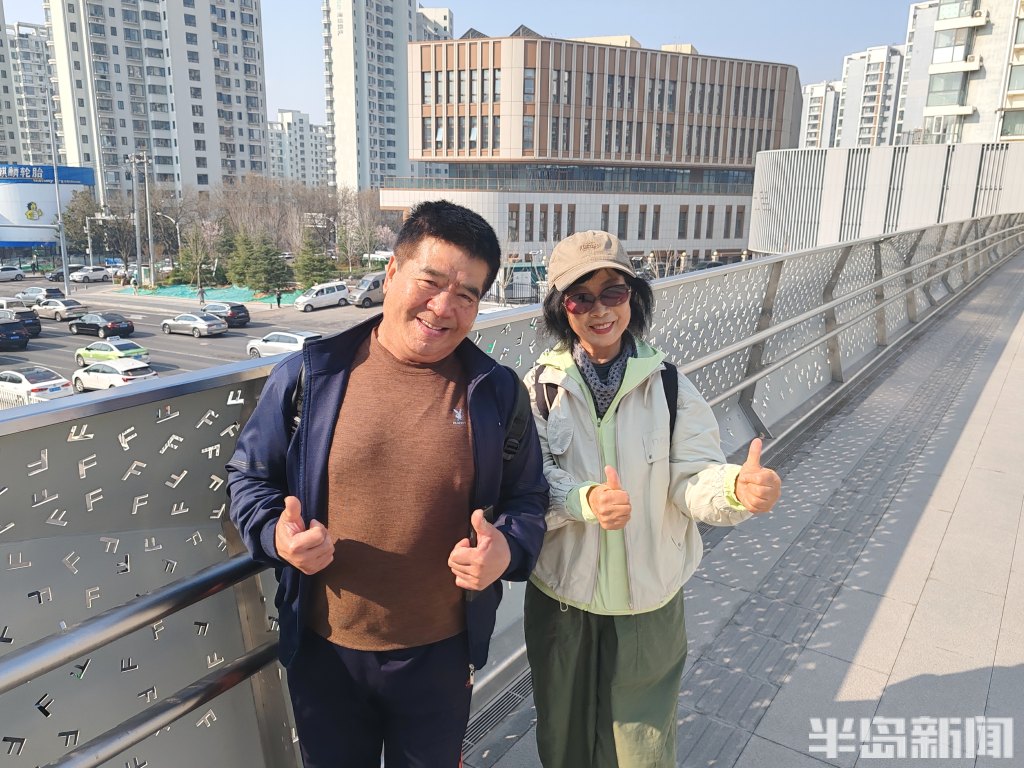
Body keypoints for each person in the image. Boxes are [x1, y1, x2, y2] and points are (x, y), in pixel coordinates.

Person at [226, 200, 548, 768]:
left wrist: (508, 550)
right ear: (392, 273)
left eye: (467, 294)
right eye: (431, 282)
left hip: (441, 657)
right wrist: (277, 535)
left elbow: (527, 498)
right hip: (325, 652)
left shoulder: (495, 393)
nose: (443, 307)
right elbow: (249, 478)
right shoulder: (309, 377)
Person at [523, 230, 782, 768]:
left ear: (633, 297)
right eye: (580, 298)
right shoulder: (540, 388)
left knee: (642, 749)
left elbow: (693, 476)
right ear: (561, 308)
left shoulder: (668, 384)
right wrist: (583, 501)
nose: (600, 310)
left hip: (650, 605)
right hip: (562, 601)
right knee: (564, 742)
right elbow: (530, 482)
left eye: (613, 292)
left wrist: (735, 488)